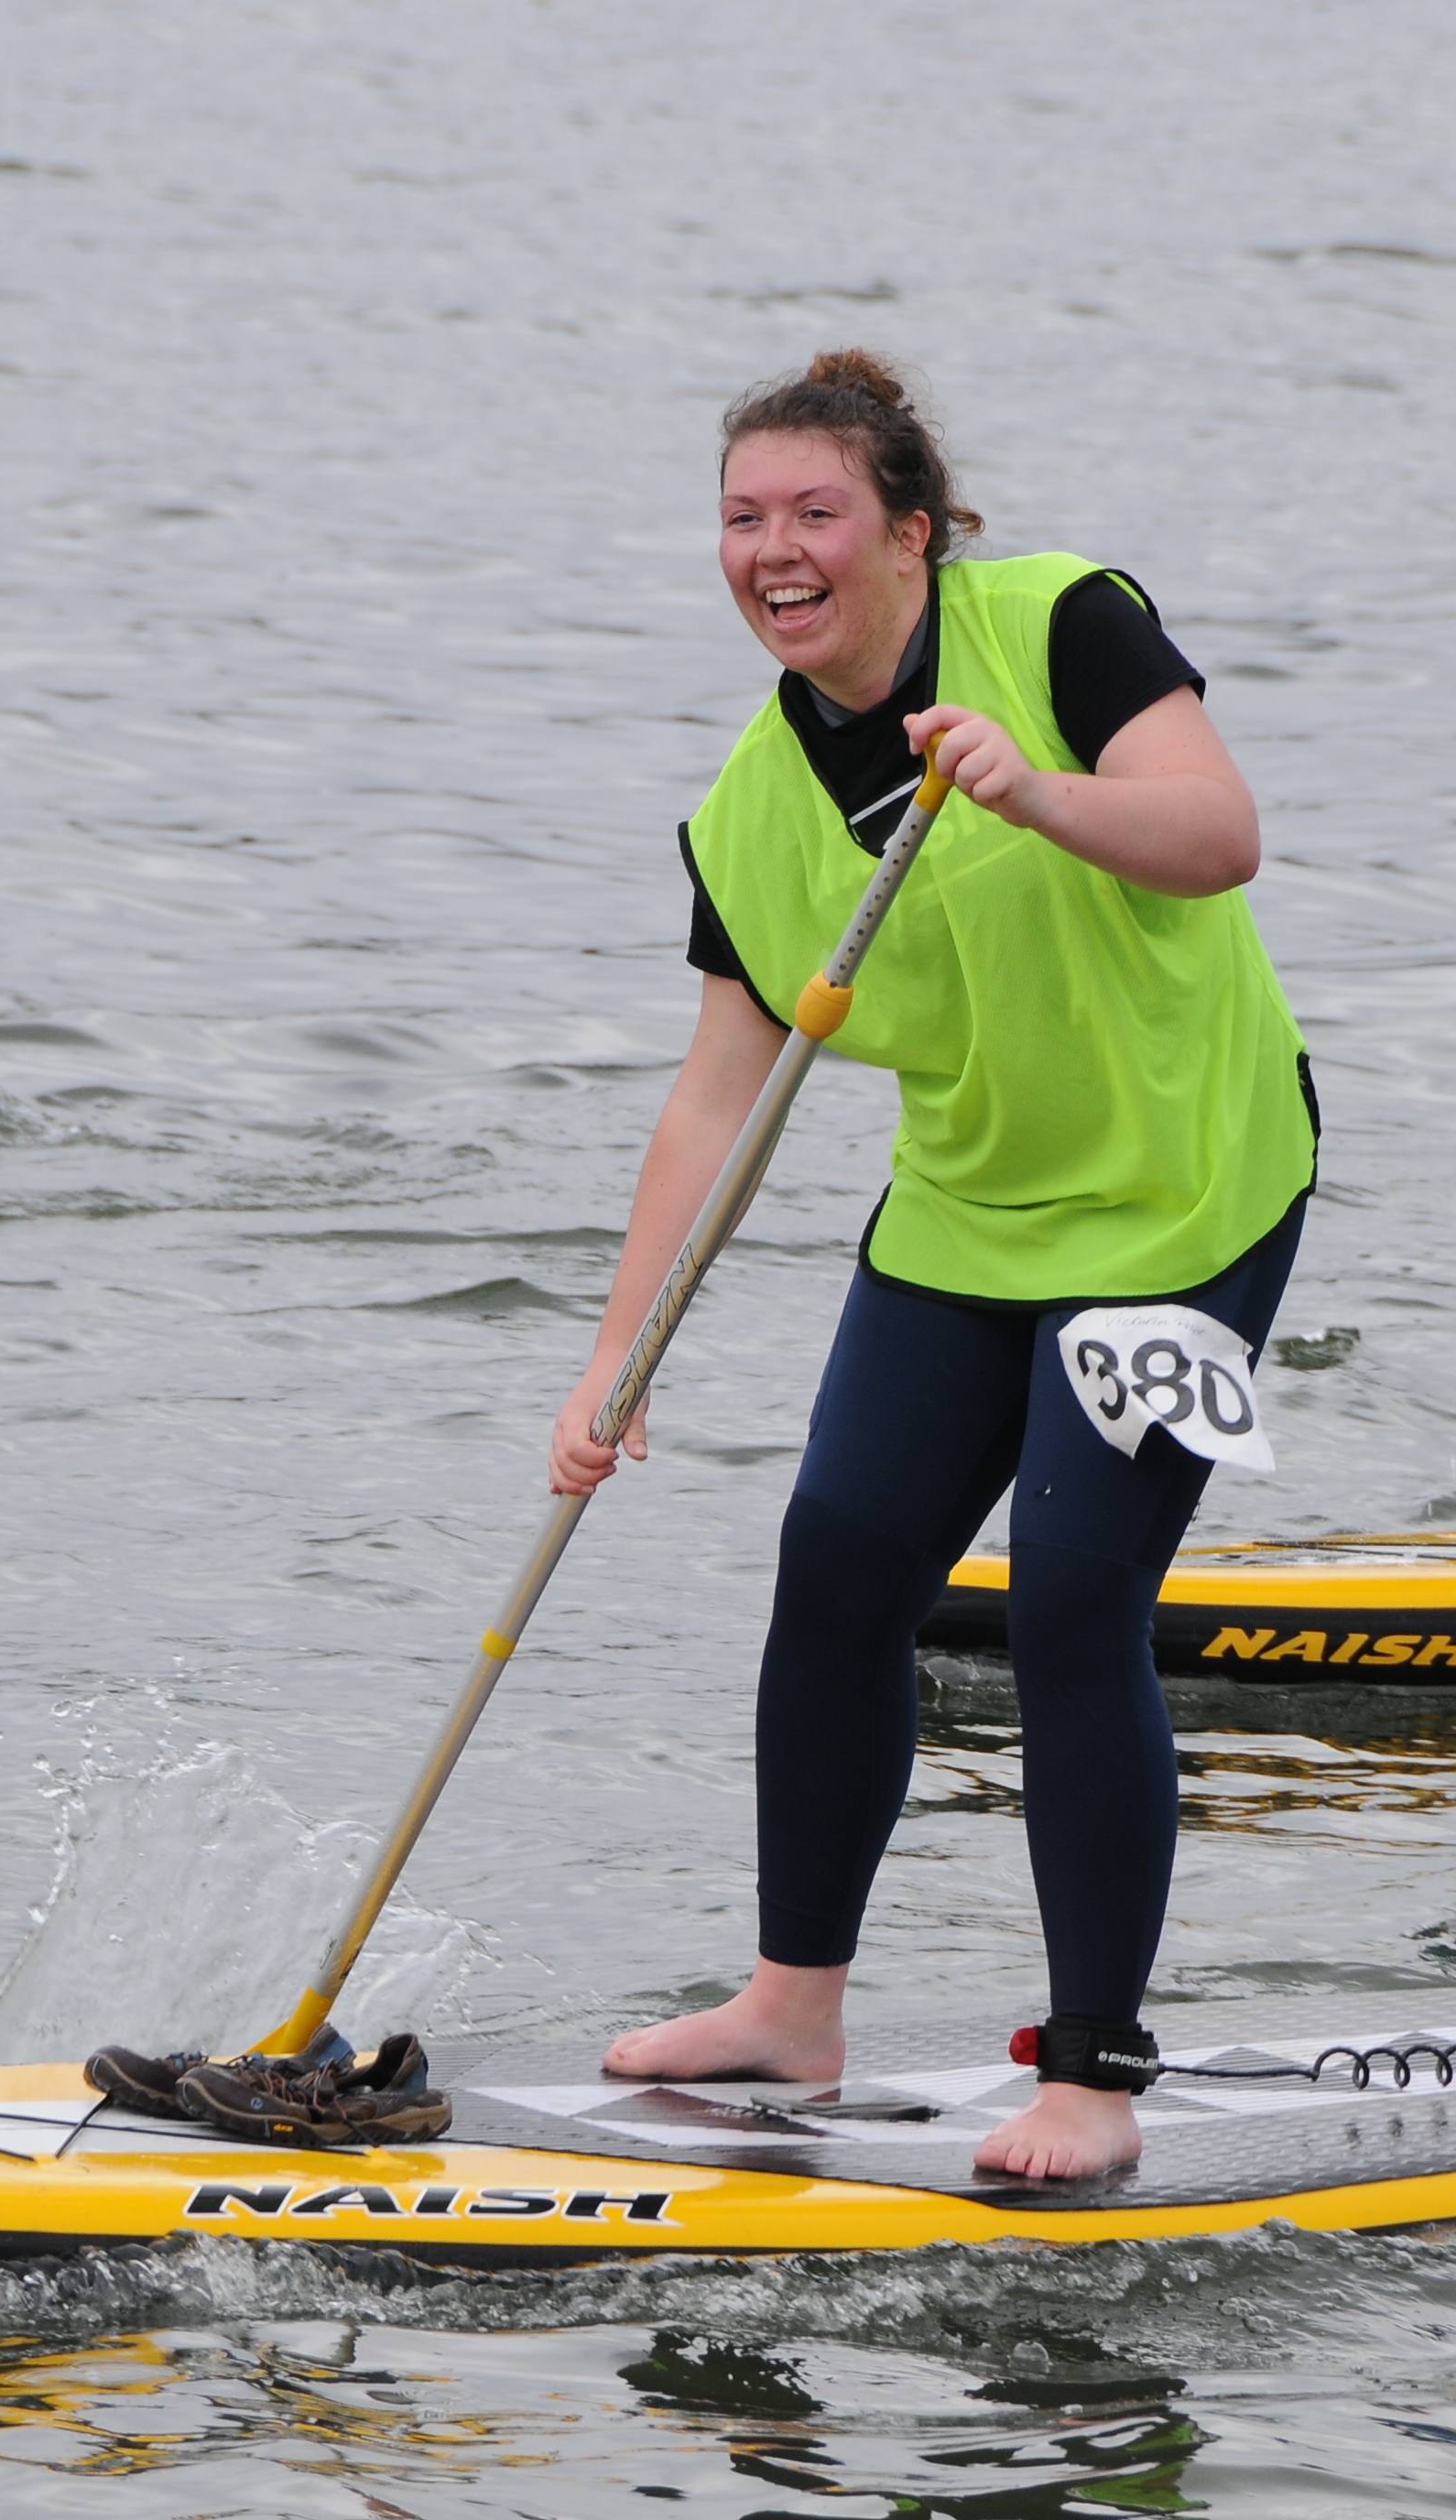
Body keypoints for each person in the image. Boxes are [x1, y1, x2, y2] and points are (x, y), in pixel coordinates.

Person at [553, 351, 1316, 2179]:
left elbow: (1219, 839)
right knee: (837, 1568)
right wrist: (617, 1355)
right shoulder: (749, 810)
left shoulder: (1057, 624)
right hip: (971, 1210)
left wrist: (1033, 789)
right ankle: (789, 2007)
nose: (774, 549)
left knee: (1068, 1597)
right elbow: (716, 1099)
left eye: (815, 512)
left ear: (908, 533)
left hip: (1188, 1186)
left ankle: (1093, 2074)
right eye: (742, 518)